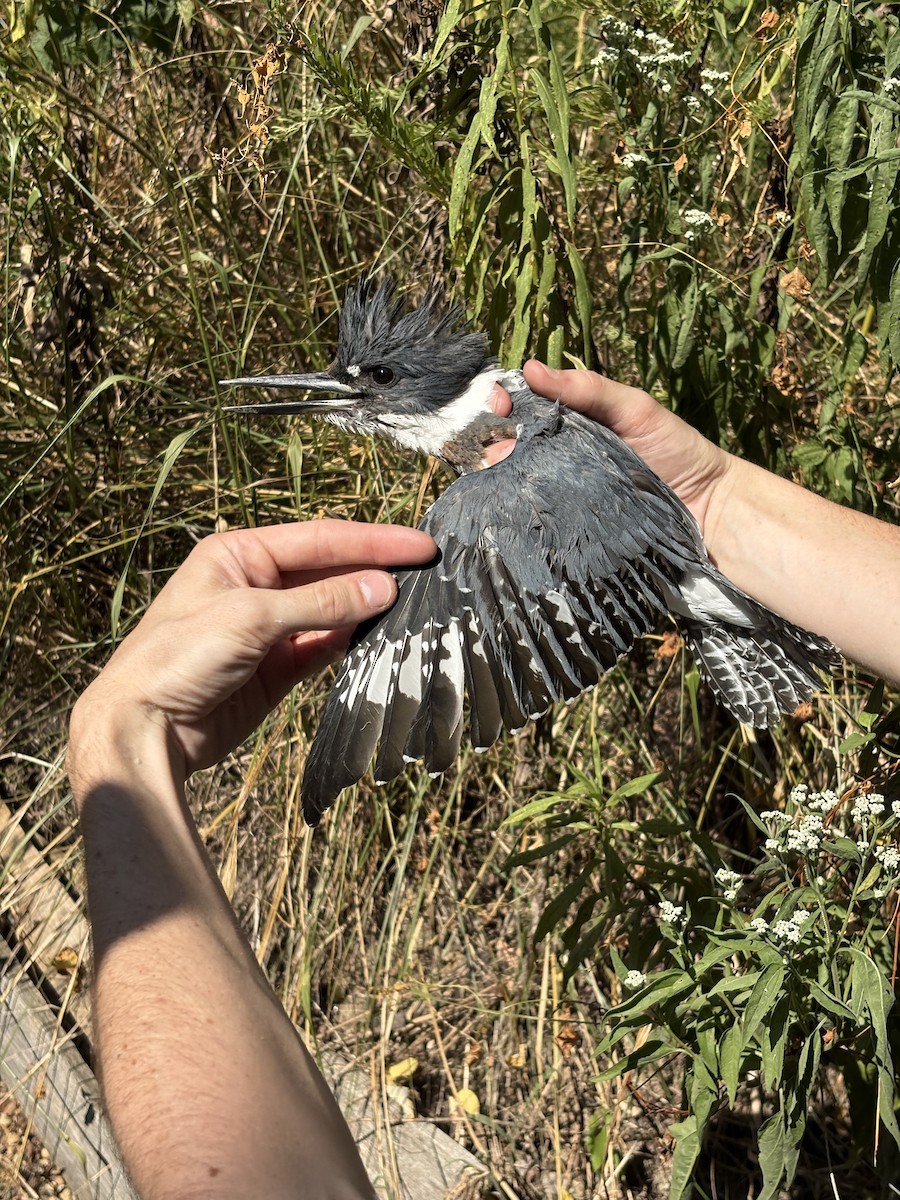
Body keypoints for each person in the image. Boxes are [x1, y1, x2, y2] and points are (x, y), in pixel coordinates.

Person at [67, 367, 900, 1199]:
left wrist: (120, 733)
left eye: (372, 387)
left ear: (448, 387)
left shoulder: (477, 502)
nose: (350, 405)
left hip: (699, 582)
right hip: (705, 569)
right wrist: (713, 495)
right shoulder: (522, 435)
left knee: (450, 529)